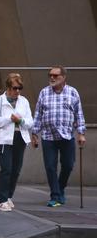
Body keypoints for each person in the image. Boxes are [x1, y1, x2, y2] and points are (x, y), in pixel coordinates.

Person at [31, 66, 87, 207]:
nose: (52, 78)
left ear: (64, 77)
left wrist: (81, 133)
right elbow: (38, 115)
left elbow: (78, 114)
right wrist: (34, 133)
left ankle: (60, 188)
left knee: (68, 165)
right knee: (50, 167)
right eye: (50, 75)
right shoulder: (44, 93)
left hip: (67, 136)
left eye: (56, 75)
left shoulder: (73, 92)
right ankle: (55, 196)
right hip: (48, 137)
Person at [0, 73, 33, 211]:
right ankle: (2, 200)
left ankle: (8, 197)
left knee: (16, 170)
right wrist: (10, 118)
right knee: (6, 169)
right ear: (8, 87)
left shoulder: (24, 101)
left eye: (20, 88)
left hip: (20, 138)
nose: (18, 91)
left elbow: (30, 122)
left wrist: (20, 121)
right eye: (15, 88)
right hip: (4, 139)